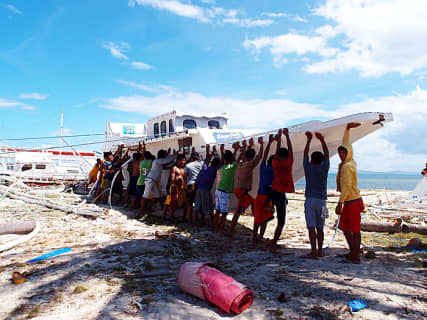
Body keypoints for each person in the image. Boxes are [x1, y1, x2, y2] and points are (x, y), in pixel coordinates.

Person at [335, 122, 364, 264]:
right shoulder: (350, 161)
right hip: (350, 200)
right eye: (340, 152)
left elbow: (346, 187)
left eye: (343, 153)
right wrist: (347, 129)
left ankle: (356, 256)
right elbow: (346, 143)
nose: (341, 155)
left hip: (351, 201)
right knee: (345, 228)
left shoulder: (347, 166)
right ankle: (353, 252)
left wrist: (339, 203)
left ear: (348, 153)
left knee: (354, 229)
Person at [302, 131, 330, 259]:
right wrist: (322, 140)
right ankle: (320, 251)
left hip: (310, 201)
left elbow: (304, 155)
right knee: (320, 228)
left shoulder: (308, 168)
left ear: (312, 160)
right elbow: (328, 156)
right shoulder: (324, 169)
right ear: (322, 161)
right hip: (322, 202)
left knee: (311, 228)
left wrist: (308, 140)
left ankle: (313, 251)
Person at [229, 137, 264, 238]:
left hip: (239, 190)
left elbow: (243, 156)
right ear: (251, 158)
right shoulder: (250, 165)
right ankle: (231, 231)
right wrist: (261, 144)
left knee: (252, 205)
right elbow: (260, 156)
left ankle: (233, 230)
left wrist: (247, 147)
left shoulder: (240, 163)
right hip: (243, 192)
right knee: (238, 212)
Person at [270, 128, 294, 252]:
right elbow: (291, 150)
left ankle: (259, 237)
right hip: (280, 194)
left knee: (268, 216)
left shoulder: (275, 163)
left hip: (273, 191)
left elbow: (276, 153)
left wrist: (279, 140)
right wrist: (287, 137)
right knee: (281, 221)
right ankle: (273, 243)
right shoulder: (288, 163)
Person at [138, 149, 176, 218]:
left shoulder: (158, 162)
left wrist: (172, 158)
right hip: (150, 180)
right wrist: (174, 155)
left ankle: (148, 208)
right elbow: (167, 160)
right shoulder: (157, 161)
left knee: (157, 196)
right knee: (145, 196)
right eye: (165, 154)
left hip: (153, 181)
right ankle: (141, 211)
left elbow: (167, 164)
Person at [253, 134, 275, 244]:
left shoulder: (263, 167)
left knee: (257, 219)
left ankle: (254, 238)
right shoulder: (275, 170)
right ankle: (260, 237)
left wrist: (269, 143)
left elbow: (264, 156)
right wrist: (277, 142)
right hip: (268, 197)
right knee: (264, 219)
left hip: (259, 196)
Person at [213, 143, 239, 233]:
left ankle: (215, 227)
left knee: (218, 210)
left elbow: (232, 159)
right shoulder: (232, 167)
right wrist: (236, 150)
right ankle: (221, 229)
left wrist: (223, 151)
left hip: (218, 190)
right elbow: (237, 160)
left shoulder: (223, 167)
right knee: (224, 212)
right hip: (224, 192)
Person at [193, 145, 221, 225]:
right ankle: (214, 223)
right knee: (209, 208)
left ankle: (194, 223)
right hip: (206, 190)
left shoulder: (205, 168)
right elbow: (222, 163)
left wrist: (209, 150)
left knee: (197, 207)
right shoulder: (215, 170)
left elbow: (207, 159)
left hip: (199, 189)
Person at [162, 154, 186, 220]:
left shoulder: (184, 168)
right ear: (178, 161)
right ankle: (169, 217)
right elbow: (172, 180)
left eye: (184, 160)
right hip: (174, 187)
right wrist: (178, 185)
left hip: (181, 188)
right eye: (182, 160)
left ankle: (180, 217)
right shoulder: (174, 168)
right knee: (170, 202)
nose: (183, 162)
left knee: (181, 202)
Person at [183, 151, 203, 223]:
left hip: (190, 185)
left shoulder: (188, 165)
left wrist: (184, 187)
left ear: (191, 157)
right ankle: (201, 219)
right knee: (199, 203)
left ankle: (190, 220)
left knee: (189, 204)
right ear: (198, 157)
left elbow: (185, 177)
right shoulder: (202, 164)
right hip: (200, 185)